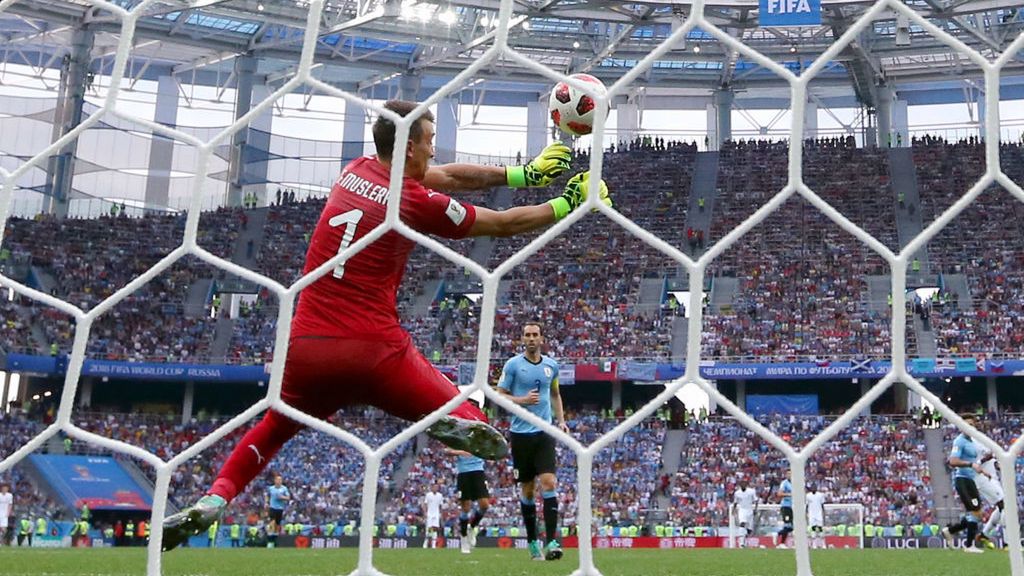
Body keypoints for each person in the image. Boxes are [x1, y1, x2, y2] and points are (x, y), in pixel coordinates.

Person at [161, 99, 611, 552]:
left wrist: (521, 176)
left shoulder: (355, 168)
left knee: (274, 426)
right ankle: (449, 421)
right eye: (430, 142)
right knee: (468, 415)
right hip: (373, 350)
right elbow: (502, 224)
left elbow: (450, 176)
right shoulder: (411, 200)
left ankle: (216, 497)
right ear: (411, 145)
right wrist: (569, 202)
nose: (434, 151)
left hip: (307, 347)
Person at [497, 321, 569, 562]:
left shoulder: (551, 366)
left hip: (544, 433)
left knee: (549, 482)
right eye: (526, 334)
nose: (530, 338)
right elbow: (500, 396)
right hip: (520, 436)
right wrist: (523, 400)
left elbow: (556, 394)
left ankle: (552, 541)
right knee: (527, 489)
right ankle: (532, 543)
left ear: (541, 339)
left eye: (534, 335)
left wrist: (561, 421)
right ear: (522, 339)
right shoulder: (513, 365)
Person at [448, 388, 491, 555]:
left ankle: (473, 527)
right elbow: (449, 448)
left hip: (477, 470)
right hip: (464, 472)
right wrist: (457, 451)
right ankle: (464, 539)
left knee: (484, 505)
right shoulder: (458, 427)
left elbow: (478, 449)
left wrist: (459, 451)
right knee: (465, 507)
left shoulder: (481, 425)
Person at [941, 414, 985, 553]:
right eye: (967, 425)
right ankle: (969, 545)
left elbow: (975, 462)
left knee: (977, 512)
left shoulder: (972, 441)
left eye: (972, 425)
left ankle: (950, 530)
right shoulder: (959, 441)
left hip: (971, 480)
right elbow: (953, 461)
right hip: (962, 481)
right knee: (974, 510)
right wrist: (971, 464)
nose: (970, 427)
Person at [975, 443, 1004, 547]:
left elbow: (993, 462)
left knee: (1001, 508)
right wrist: (982, 460)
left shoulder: (986, 442)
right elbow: (972, 464)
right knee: (1005, 506)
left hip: (993, 479)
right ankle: (1008, 543)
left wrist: (1000, 466)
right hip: (984, 479)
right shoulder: (971, 444)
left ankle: (984, 534)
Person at [732, 476, 758, 548]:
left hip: (749, 510)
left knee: (749, 530)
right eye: (741, 484)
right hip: (742, 510)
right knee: (742, 524)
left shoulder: (751, 491)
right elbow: (735, 502)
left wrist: (755, 509)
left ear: (746, 485)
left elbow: (756, 500)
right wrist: (733, 510)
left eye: (744, 484)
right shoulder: (737, 493)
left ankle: (744, 539)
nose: (743, 485)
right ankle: (741, 543)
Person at [265, 475, 290, 548]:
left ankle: (274, 541)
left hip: (280, 508)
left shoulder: (284, 489)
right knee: (272, 522)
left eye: (280, 480)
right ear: (275, 481)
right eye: (278, 480)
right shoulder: (271, 488)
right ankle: (269, 541)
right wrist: (266, 502)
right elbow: (267, 495)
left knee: (277, 525)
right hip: (272, 508)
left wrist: (282, 497)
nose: (279, 481)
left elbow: (288, 497)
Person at [775, 470, 793, 549]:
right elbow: (779, 494)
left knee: (791, 527)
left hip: (794, 507)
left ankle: (782, 541)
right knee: (787, 525)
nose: (789, 475)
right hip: (786, 506)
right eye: (788, 474)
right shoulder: (784, 483)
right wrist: (789, 494)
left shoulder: (796, 482)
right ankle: (780, 540)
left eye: (791, 474)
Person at [422, 484, 444, 549]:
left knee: (435, 529)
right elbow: (425, 504)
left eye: (437, 487)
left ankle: (433, 544)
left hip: (436, 514)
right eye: (434, 487)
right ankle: (425, 543)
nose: (435, 488)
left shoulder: (440, 495)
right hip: (429, 514)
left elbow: (440, 506)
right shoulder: (428, 495)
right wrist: (425, 512)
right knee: (429, 529)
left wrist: (440, 514)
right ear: (432, 488)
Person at [806, 485, 826, 550]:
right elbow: (807, 505)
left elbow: (822, 504)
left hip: (818, 514)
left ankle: (822, 543)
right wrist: (806, 513)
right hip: (811, 514)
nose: (813, 489)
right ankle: (814, 544)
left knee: (820, 528)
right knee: (813, 528)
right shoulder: (808, 495)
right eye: (812, 488)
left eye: (815, 488)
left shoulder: (820, 495)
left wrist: (823, 513)